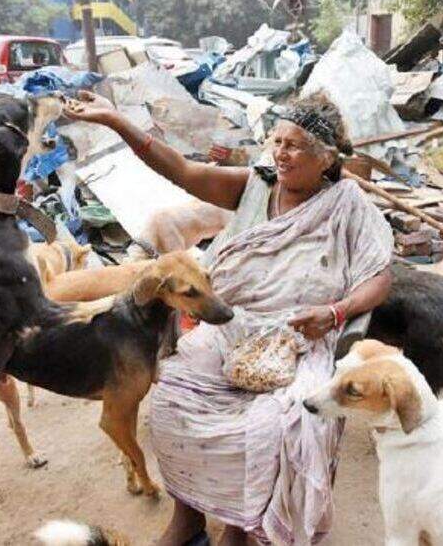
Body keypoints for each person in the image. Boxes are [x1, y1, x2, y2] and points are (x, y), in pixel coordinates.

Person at [64, 91, 393, 545]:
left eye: (294, 145)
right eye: (276, 141)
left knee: (273, 425)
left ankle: (240, 525)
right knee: (172, 397)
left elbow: (379, 276)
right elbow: (181, 170)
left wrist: (336, 311)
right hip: (230, 325)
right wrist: (116, 120)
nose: (280, 153)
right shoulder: (255, 185)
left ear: (325, 158)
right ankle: (189, 516)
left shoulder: (348, 204)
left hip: (299, 339)